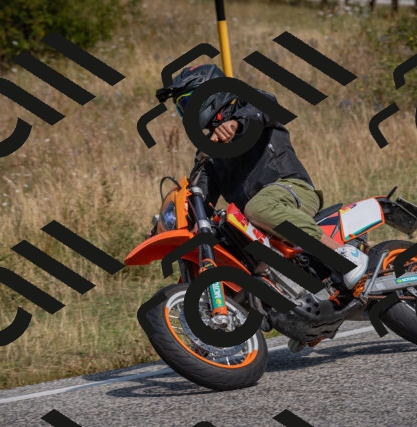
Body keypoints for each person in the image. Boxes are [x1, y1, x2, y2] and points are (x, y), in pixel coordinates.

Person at [156, 64, 368, 293]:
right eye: (181, 108)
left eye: (188, 103)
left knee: (258, 207)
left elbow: (265, 106)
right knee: (222, 236)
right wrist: (169, 225)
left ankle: (341, 254)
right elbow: (200, 193)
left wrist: (237, 123)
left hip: (291, 190)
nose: (186, 114)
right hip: (254, 218)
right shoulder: (208, 151)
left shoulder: (248, 106)